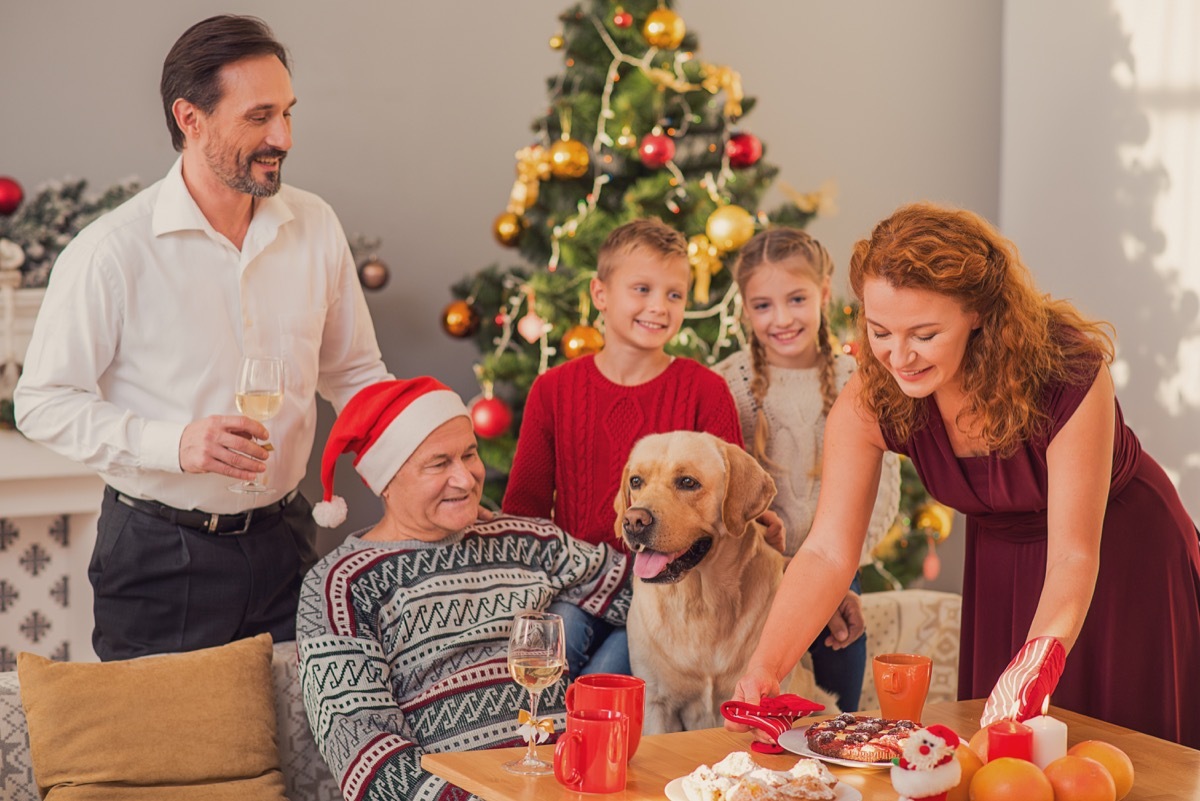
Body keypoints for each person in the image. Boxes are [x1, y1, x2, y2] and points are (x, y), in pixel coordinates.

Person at [729, 202, 1200, 747]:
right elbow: (828, 551)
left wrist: (1040, 655)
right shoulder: (872, 394)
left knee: (1118, 759)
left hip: (1119, 558)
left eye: (923, 334)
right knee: (1003, 760)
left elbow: (1074, 553)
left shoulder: (1068, 372)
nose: (897, 356)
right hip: (999, 566)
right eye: (879, 331)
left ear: (977, 313)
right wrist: (766, 665)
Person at [13, 15, 390, 661]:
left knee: (296, 750)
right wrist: (177, 443)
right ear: (190, 118)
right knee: (166, 758)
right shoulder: (112, 251)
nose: (283, 137)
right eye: (259, 116)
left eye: (288, 113)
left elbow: (355, 373)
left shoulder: (316, 225)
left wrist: (420, 465)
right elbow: (42, 402)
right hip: (159, 559)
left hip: (288, 543)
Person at [298, 377, 631, 800]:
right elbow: (363, 750)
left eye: (469, 454)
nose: (466, 479)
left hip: (575, 788)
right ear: (386, 481)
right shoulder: (342, 585)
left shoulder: (527, 542)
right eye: (439, 464)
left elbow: (648, 596)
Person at [502, 218, 745, 678]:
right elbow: (524, 512)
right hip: (575, 586)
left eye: (674, 295)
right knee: (547, 656)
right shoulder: (553, 390)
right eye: (642, 289)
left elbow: (724, 509)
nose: (659, 306)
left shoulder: (705, 391)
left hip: (665, 592)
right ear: (600, 294)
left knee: (603, 684)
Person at [714, 227, 901, 711]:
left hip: (836, 572)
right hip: (753, 573)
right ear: (745, 308)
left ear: (822, 293)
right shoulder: (729, 385)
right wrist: (780, 565)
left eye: (796, 299)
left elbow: (881, 494)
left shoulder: (858, 382)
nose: (781, 319)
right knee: (758, 700)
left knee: (836, 703)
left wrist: (834, 574)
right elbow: (721, 490)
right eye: (762, 305)